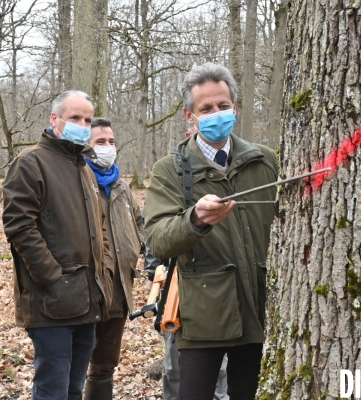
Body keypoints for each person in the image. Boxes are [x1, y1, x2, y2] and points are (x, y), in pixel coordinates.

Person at [144, 62, 278, 400]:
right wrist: (196, 220)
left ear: (235, 106)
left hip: (263, 311)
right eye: (206, 108)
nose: (216, 113)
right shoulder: (170, 170)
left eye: (222, 105)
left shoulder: (265, 161)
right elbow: (158, 238)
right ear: (191, 115)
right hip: (203, 318)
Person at [2, 90, 114, 400]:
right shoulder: (31, 163)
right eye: (75, 117)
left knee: (73, 390)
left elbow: (97, 229)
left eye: (87, 119)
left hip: (87, 301)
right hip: (50, 304)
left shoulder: (84, 168)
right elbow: (19, 226)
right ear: (55, 119)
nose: (82, 124)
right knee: (52, 391)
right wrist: (52, 277)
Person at [143, 128, 229, 400]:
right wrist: (158, 278)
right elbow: (155, 240)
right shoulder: (169, 176)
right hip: (179, 293)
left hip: (222, 292)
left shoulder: (229, 174)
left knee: (222, 373)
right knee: (176, 370)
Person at [83, 117, 145, 399]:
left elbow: (140, 221)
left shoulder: (121, 184)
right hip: (84, 290)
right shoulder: (77, 179)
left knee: (105, 363)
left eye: (111, 142)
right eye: (100, 142)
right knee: (74, 363)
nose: (108, 147)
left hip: (120, 287)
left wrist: (140, 246)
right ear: (86, 145)